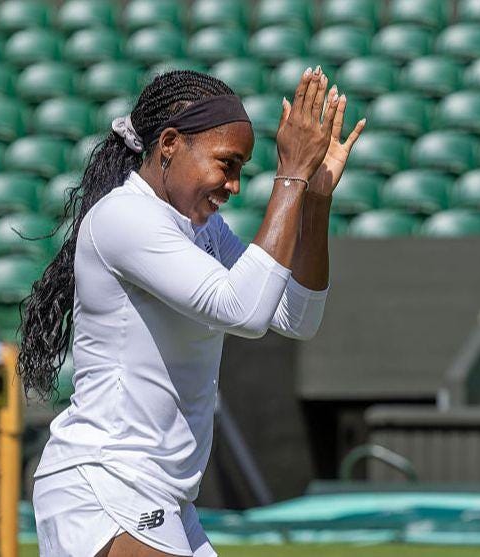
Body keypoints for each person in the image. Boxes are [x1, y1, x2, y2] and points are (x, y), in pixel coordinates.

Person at [18, 66, 365, 557]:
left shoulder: (202, 230)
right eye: (227, 163)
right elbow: (243, 311)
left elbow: (296, 317)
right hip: (106, 483)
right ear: (170, 144)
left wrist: (315, 198)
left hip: (163, 497)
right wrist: (289, 175)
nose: (235, 185)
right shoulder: (125, 217)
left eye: (243, 168)